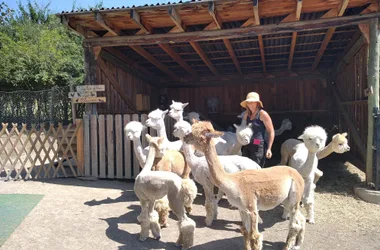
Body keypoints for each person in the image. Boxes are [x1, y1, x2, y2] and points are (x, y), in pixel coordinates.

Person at [240, 92, 274, 167]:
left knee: (256, 169)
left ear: (257, 103)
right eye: (248, 103)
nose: (250, 104)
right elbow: (242, 128)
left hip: (258, 143)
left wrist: (269, 148)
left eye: (252, 102)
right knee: (245, 168)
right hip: (247, 144)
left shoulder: (262, 114)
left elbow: (271, 132)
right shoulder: (246, 114)